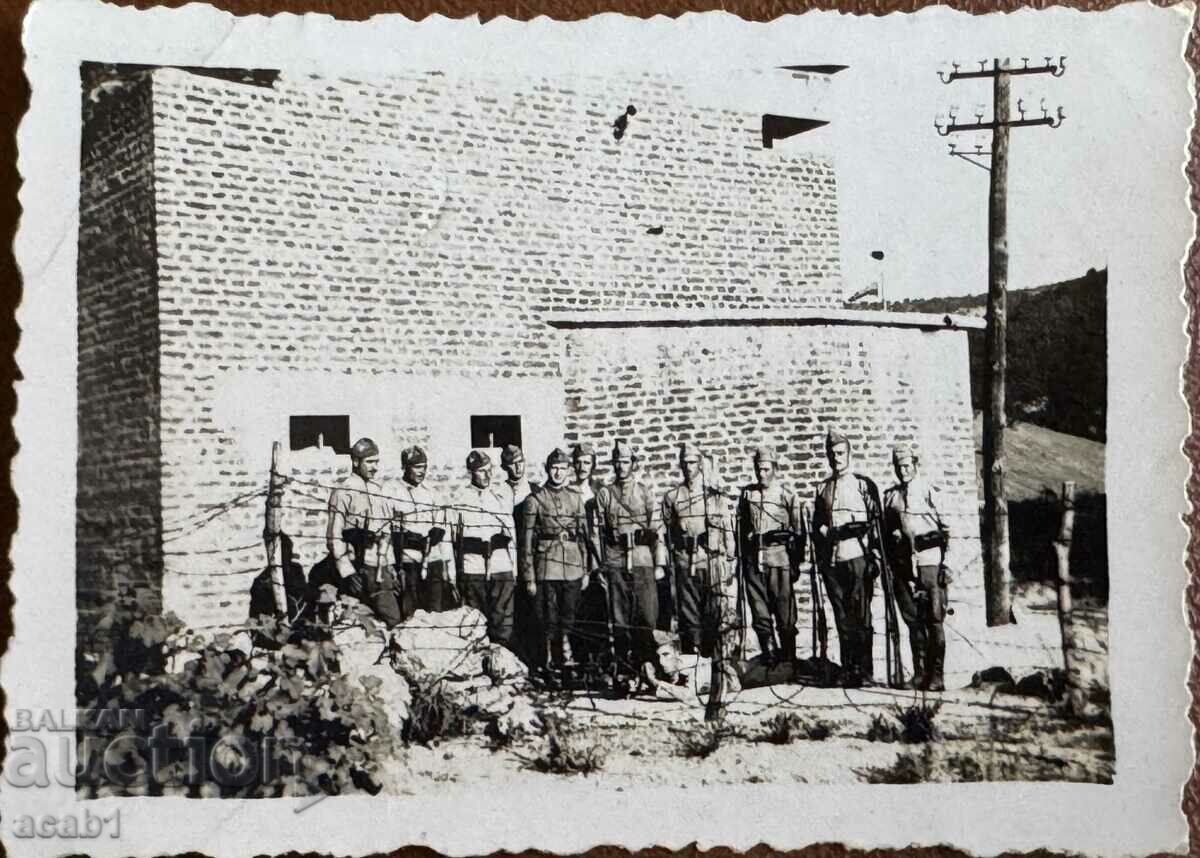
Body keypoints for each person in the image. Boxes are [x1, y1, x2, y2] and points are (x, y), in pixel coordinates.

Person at [811, 430, 885, 687]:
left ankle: (864, 671)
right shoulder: (823, 488)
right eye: (832, 454)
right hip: (834, 560)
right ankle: (848, 668)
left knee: (861, 616)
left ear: (849, 454)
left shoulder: (863, 485)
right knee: (842, 617)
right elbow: (817, 525)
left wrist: (874, 556)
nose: (836, 458)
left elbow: (877, 524)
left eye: (840, 453)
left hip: (857, 555)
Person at [594, 440, 668, 691]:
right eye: (617, 461)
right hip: (615, 561)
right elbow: (599, 532)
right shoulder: (605, 494)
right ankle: (625, 673)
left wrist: (659, 564)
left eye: (625, 461)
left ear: (633, 464)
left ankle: (647, 667)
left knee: (646, 617)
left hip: (642, 559)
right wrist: (601, 565)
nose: (621, 466)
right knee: (620, 619)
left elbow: (657, 529)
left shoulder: (644, 492)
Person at [520, 448, 596, 687]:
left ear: (568, 470)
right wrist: (529, 576)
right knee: (547, 619)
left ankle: (567, 664)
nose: (558, 473)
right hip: (546, 566)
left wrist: (586, 570)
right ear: (547, 469)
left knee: (569, 617)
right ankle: (548, 664)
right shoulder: (535, 500)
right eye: (554, 468)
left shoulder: (575, 498)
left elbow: (584, 537)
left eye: (563, 468)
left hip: (572, 565)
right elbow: (526, 542)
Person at [882, 444, 951, 691]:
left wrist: (947, 565)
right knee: (913, 619)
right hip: (904, 565)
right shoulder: (891, 496)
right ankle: (920, 673)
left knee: (933, 619)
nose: (903, 471)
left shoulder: (929, 491)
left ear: (915, 465)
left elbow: (948, 530)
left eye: (907, 466)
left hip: (929, 560)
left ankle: (937, 675)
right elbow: (885, 533)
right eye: (899, 467)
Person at [662, 442, 735, 657]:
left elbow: (727, 527)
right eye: (685, 463)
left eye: (693, 462)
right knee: (688, 611)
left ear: (700, 464)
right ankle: (692, 656)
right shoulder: (673, 497)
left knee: (714, 609)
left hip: (710, 558)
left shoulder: (714, 495)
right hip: (685, 559)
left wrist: (730, 559)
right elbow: (666, 533)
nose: (688, 467)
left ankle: (714, 657)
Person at [736, 446, 805, 668]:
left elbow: (798, 533)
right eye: (758, 470)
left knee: (784, 609)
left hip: (779, 558)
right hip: (754, 560)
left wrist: (795, 564)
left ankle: (788, 657)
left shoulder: (787, 496)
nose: (762, 474)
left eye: (766, 469)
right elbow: (741, 527)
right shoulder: (748, 495)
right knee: (759, 610)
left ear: (775, 468)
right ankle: (769, 656)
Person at [325, 437, 402, 627]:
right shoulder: (343, 491)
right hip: (358, 568)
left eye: (377, 461)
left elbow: (387, 532)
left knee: (392, 621)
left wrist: (391, 567)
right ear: (355, 462)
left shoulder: (380, 490)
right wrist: (347, 572)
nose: (375, 467)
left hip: (381, 569)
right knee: (357, 623)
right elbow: (334, 535)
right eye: (369, 462)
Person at [452, 450, 517, 649]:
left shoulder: (500, 497)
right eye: (481, 471)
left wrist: (514, 569)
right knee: (476, 619)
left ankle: (502, 659)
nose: (487, 475)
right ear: (472, 472)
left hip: (500, 565)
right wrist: (455, 574)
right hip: (474, 567)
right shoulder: (460, 499)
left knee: (502, 619)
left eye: (490, 470)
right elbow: (454, 539)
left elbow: (511, 535)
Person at [393, 445, 452, 618]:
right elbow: (391, 531)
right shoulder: (393, 492)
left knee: (434, 612)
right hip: (408, 561)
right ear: (405, 467)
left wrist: (438, 532)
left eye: (424, 467)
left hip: (432, 560)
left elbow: (442, 525)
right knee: (411, 612)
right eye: (417, 467)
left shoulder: (431, 494)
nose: (422, 472)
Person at [500, 444, 541, 667]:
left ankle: (536, 662)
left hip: (532, 559)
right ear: (505, 467)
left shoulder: (535, 491)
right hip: (508, 557)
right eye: (512, 464)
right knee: (513, 612)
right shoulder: (500, 492)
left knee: (535, 611)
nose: (518, 467)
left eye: (521, 462)